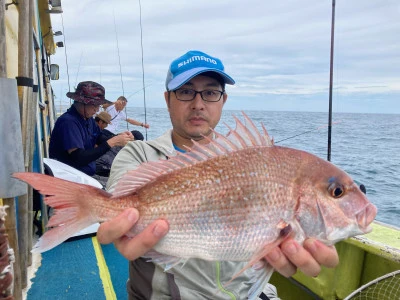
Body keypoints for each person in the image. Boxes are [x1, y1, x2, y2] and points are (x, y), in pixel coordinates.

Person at [97, 51, 339, 299]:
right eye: (186, 91)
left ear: (223, 100)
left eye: (211, 93)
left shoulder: (252, 160)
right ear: (168, 99)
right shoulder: (140, 155)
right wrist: (116, 224)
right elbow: (118, 203)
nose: (198, 104)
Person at [49, 81, 134, 187]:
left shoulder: (87, 119)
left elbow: (99, 137)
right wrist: (112, 142)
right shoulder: (68, 122)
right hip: (70, 180)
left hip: (84, 175)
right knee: (121, 189)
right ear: (83, 102)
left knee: (127, 184)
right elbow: (79, 158)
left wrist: (119, 138)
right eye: (95, 105)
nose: (98, 109)